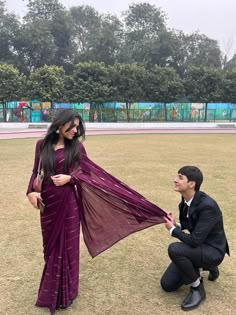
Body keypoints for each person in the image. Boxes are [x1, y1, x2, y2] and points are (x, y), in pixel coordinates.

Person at [27, 109, 167, 314]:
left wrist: (70, 178)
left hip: (68, 206)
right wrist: (30, 192)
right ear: (60, 124)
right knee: (50, 249)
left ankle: (67, 294)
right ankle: (51, 291)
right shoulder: (42, 145)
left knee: (68, 249)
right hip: (47, 206)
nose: (75, 130)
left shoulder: (77, 148)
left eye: (77, 126)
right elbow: (34, 172)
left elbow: (88, 175)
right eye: (72, 126)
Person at [161, 166, 229, 311]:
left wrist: (172, 230)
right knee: (167, 285)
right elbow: (188, 226)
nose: (175, 180)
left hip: (212, 251)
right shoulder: (185, 201)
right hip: (198, 247)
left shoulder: (208, 206)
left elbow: (194, 240)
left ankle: (197, 288)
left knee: (175, 249)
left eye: (180, 177)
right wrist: (175, 224)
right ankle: (204, 266)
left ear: (191, 184)